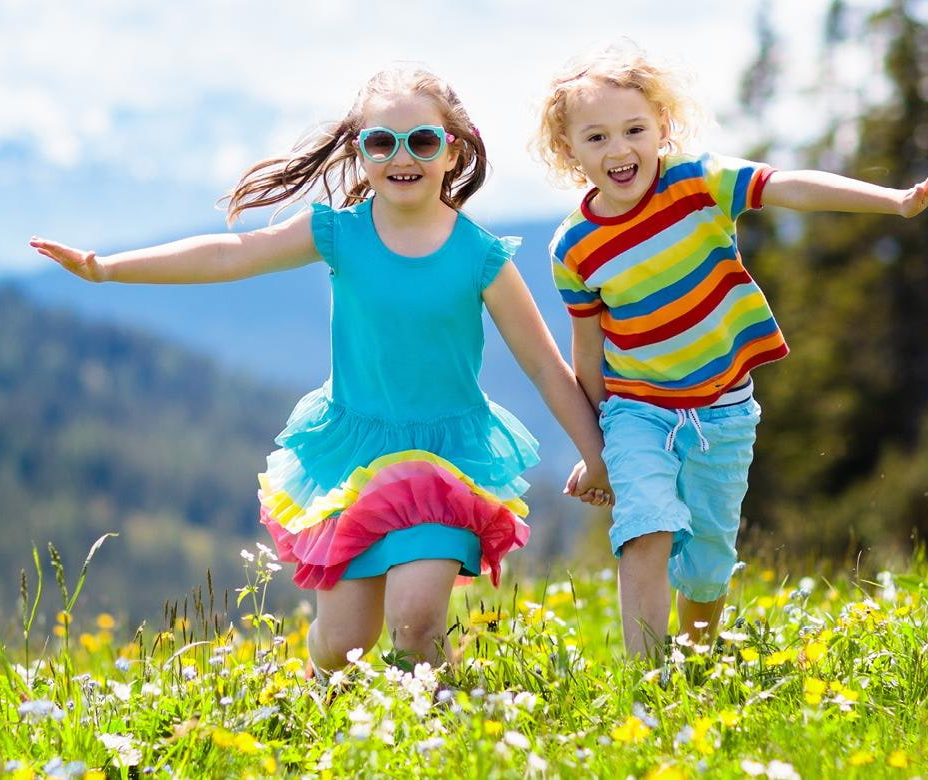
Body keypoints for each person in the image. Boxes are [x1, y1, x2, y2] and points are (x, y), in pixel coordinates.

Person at [32, 65, 610, 671]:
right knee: (342, 646)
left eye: (423, 140)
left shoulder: (482, 257)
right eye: (381, 142)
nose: (402, 156)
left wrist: (596, 456)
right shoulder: (337, 234)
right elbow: (232, 255)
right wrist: (106, 267)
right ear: (360, 152)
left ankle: (439, 722)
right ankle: (322, 696)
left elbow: (546, 366)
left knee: (416, 621)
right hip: (352, 456)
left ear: (452, 150)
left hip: (449, 461)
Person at [532, 42, 928, 656]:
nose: (619, 149)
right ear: (570, 150)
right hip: (636, 411)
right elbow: (587, 349)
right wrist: (597, 449)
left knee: (707, 562)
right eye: (595, 138)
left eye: (634, 129)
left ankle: (699, 663)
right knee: (644, 528)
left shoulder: (700, 183)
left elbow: (790, 188)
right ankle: (646, 683)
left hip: (724, 411)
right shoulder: (574, 247)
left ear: (662, 127)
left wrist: (895, 201)